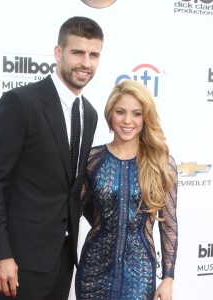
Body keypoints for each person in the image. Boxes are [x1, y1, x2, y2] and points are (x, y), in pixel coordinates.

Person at [0, 16, 104, 300]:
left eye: (94, 54)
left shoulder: (90, 114)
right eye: (77, 52)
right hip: (20, 262)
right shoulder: (21, 103)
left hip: (64, 259)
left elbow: (71, 186)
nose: (86, 62)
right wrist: (0, 255)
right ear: (58, 53)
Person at [75, 79, 178, 300]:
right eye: (120, 112)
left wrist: (168, 278)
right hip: (93, 270)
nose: (127, 120)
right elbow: (79, 209)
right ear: (110, 115)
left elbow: (168, 224)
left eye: (136, 113)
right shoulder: (92, 160)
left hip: (140, 273)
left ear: (145, 118)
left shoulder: (161, 164)